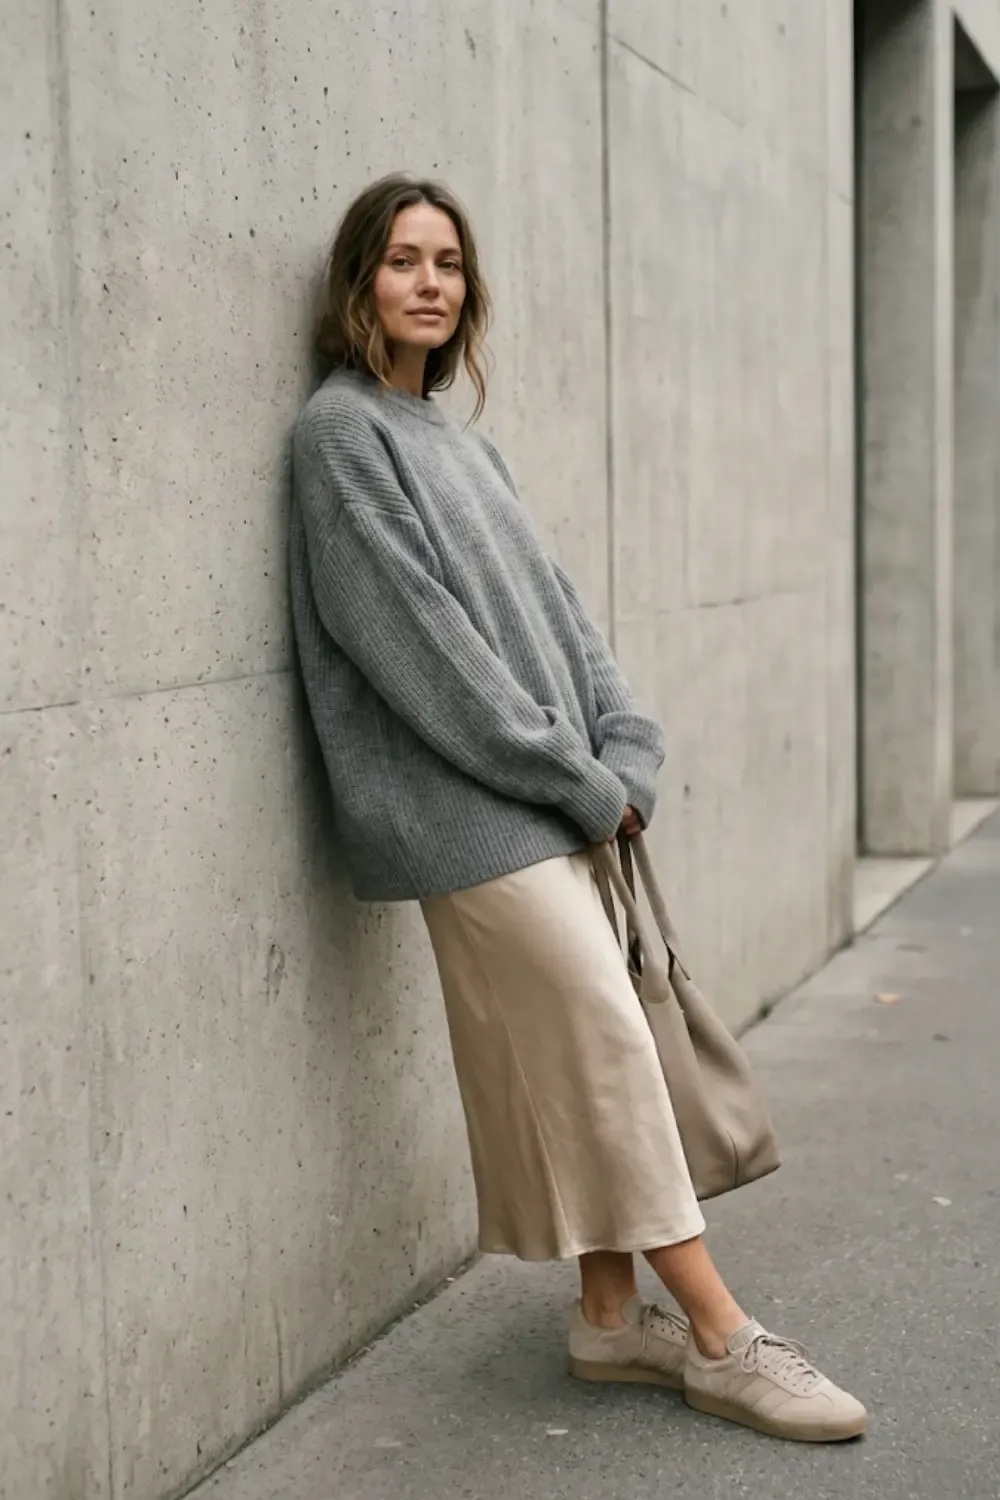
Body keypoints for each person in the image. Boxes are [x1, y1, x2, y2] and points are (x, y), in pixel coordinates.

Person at [289, 173, 867, 1444]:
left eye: (447, 261)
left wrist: (627, 747)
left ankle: (608, 1318)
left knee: (587, 1050)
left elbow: (562, 618)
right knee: (603, 1045)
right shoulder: (341, 437)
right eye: (401, 261)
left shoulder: (462, 444)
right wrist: (572, 776)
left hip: (556, 800)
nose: (429, 282)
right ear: (357, 285)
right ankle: (722, 1333)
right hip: (464, 814)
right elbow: (421, 649)